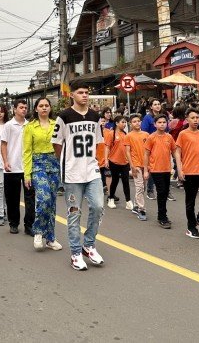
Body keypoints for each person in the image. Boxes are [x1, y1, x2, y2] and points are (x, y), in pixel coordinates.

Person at [53, 80, 106, 271]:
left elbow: (99, 141)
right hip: (72, 173)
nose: (85, 95)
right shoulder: (64, 116)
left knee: (98, 206)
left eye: (87, 92)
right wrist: (65, 162)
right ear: (72, 95)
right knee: (74, 214)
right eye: (81, 92)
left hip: (91, 170)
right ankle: (75, 253)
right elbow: (56, 142)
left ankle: (89, 245)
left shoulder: (95, 116)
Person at [23, 98, 61, 251]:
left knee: (52, 202)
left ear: (50, 108)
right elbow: (26, 151)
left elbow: (61, 146)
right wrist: (27, 174)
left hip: (54, 164)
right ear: (36, 109)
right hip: (37, 165)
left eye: (46, 105)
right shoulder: (30, 127)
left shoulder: (56, 124)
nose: (44, 108)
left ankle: (51, 238)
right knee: (43, 199)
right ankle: (38, 231)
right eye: (41, 106)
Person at [175, 109, 199, 239]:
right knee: (190, 202)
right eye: (193, 118)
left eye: (197, 117)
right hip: (189, 172)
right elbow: (177, 153)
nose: (196, 120)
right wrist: (180, 170)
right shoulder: (183, 134)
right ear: (187, 119)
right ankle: (191, 228)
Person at [1, 100, 33, 235]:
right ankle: (13, 223)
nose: (24, 110)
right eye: (21, 107)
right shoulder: (8, 125)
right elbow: (3, 144)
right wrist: (5, 161)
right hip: (12, 167)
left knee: (30, 198)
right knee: (12, 198)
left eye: (25, 107)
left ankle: (29, 225)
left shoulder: (30, 125)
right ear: (14, 109)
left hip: (27, 167)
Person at [144, 115, 176, 229]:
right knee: (161, 192)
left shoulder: (169, 137)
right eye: (159, 122)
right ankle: (162, 217)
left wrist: (178, 165)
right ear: (155, 124)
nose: (162, 124)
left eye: (164, 122)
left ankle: (162, 215)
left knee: (165, 192)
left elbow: (174, 151)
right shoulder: (151, 137)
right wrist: (145, 170)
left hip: (167, 169)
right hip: (155, 169)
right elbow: (146, 154)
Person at [124, 114, 149, 221]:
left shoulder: (146, 134)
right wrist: (132, 166)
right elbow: (128, 152)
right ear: (130, 124)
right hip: (136, 164)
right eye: (134, 121)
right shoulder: (128, 136)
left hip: (145, 164)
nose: (137, 123)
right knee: (140, 187)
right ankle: (141, 209)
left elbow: (149, 151)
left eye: (138, 121)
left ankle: (135, 205)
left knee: (143, 186)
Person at [106, 116, 132, 210]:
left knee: (126, 181)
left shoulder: (126, 134)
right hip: (114, 161)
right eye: (122, 122)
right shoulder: (111, 134)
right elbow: (107, 147)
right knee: (115, 181)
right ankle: (111, 198)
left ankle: (128, 201)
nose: (124, 124)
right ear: (117, 123)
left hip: (125, 162)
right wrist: (106, 160)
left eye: (125, 122)